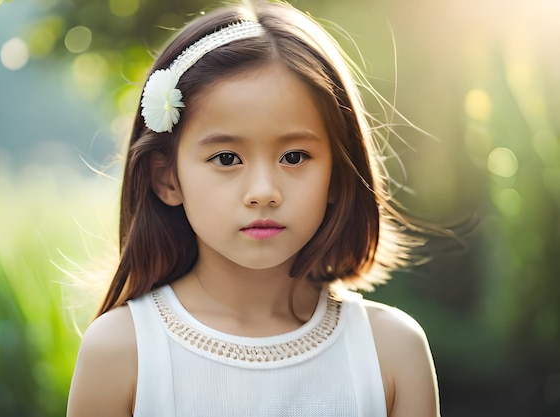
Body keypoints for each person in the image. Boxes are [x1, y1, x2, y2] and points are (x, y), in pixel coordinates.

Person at [67, 0, 440, 416]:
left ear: (337, 174)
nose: (263, 192)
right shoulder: (121, 351)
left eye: (294, 157)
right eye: (227, 158)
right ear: (167, 179)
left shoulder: (391, 352)